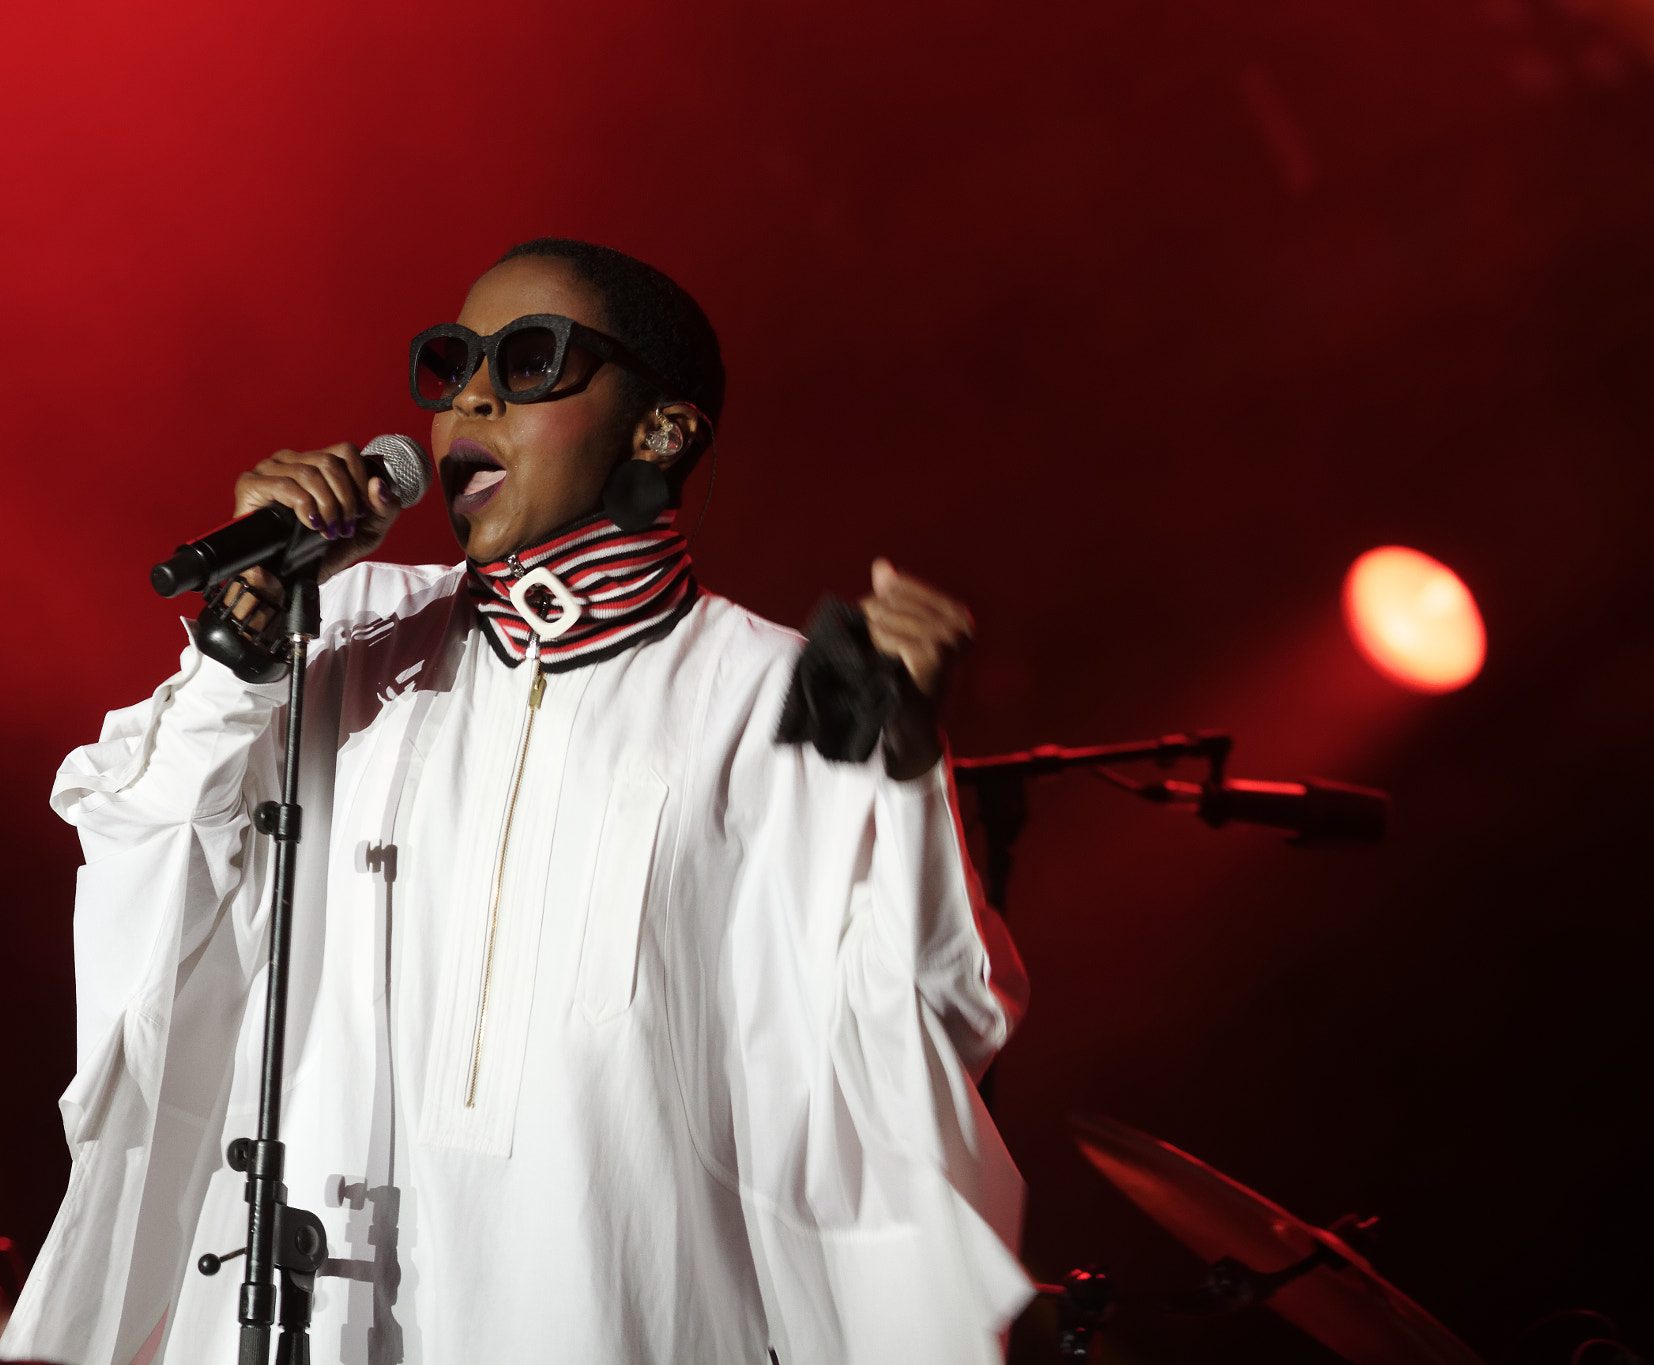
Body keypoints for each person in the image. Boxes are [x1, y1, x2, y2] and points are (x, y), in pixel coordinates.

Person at [0, 239, 1031, 1365]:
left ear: (662, 429)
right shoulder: (342, 629)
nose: (470, 396)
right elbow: (148, 868)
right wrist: (241, 646)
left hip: (605, 1310)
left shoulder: (774, 694)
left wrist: (900, 773)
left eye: (532, 360)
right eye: (451, 365)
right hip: (305, 1315)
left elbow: (919, 1024)